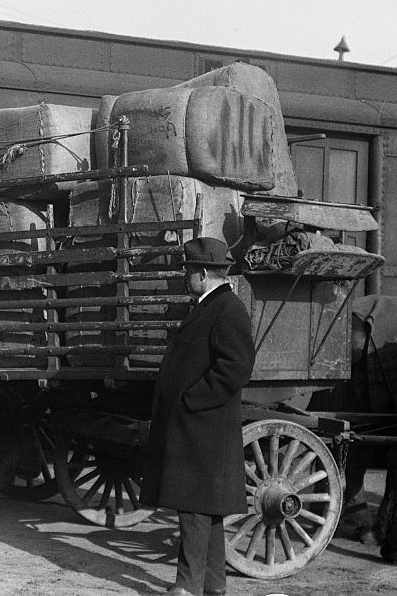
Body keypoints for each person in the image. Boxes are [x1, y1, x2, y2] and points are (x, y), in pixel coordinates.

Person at [141, 237, 256, 596]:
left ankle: (187, 588)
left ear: (203, 273)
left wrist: (191, 401)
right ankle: (213, 587)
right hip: (199, 427)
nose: (184, 278)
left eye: (188, 272)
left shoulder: (227, 309)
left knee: (192, 509)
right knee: (208, 512)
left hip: (202, 427)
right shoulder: (211, 305)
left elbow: (236, 368)